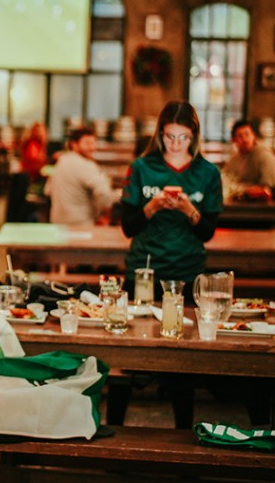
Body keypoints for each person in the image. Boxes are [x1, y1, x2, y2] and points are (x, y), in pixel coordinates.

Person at [116, 101, 223, 430]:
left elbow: (207, 232)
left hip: (187, 271)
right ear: (159, 135)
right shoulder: (141, 167)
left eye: (183, 138)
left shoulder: (207, 173)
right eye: (170, 137)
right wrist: (152, 207)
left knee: (182, 360)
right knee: (128, 355)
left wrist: (189, 209)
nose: (176, 144)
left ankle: (182, 431)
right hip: (144, 269)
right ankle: (115, 430)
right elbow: (128, 227)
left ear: (195, 137)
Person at [45, 127, 119, 226]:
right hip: (82, 225)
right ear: (74, 144)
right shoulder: (86, 165)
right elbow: (105, 195)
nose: (92, 148)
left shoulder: (62, 161)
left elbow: (47, 191)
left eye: (93, 143)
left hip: (58, 224)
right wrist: (104, 215)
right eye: (88, 143)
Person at [221, 119, 275, 198]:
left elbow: (272, 187)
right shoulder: (233, 159)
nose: (245, 139)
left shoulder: (265, 156)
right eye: (240, 136)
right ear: (233, 140)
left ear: (253, 136)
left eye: (247, 134)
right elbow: (225, 181)